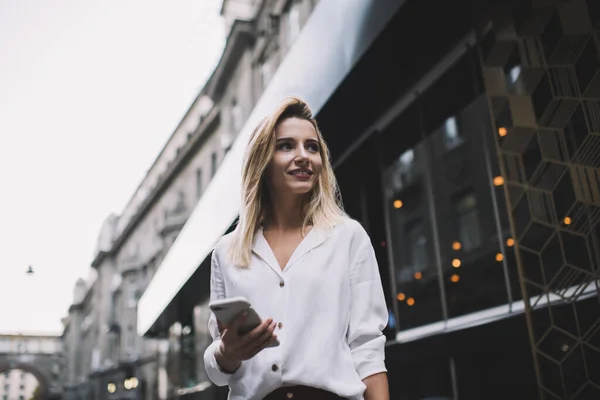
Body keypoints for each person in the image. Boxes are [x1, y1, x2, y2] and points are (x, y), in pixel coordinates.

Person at [204, 97, 389, 400]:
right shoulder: (227, 252)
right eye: (286, 146)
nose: (304, 156)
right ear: (263, 162)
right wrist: (227, 352)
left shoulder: (348, 238)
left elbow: (367, 346)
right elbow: (216, 369)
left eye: (312, 147)